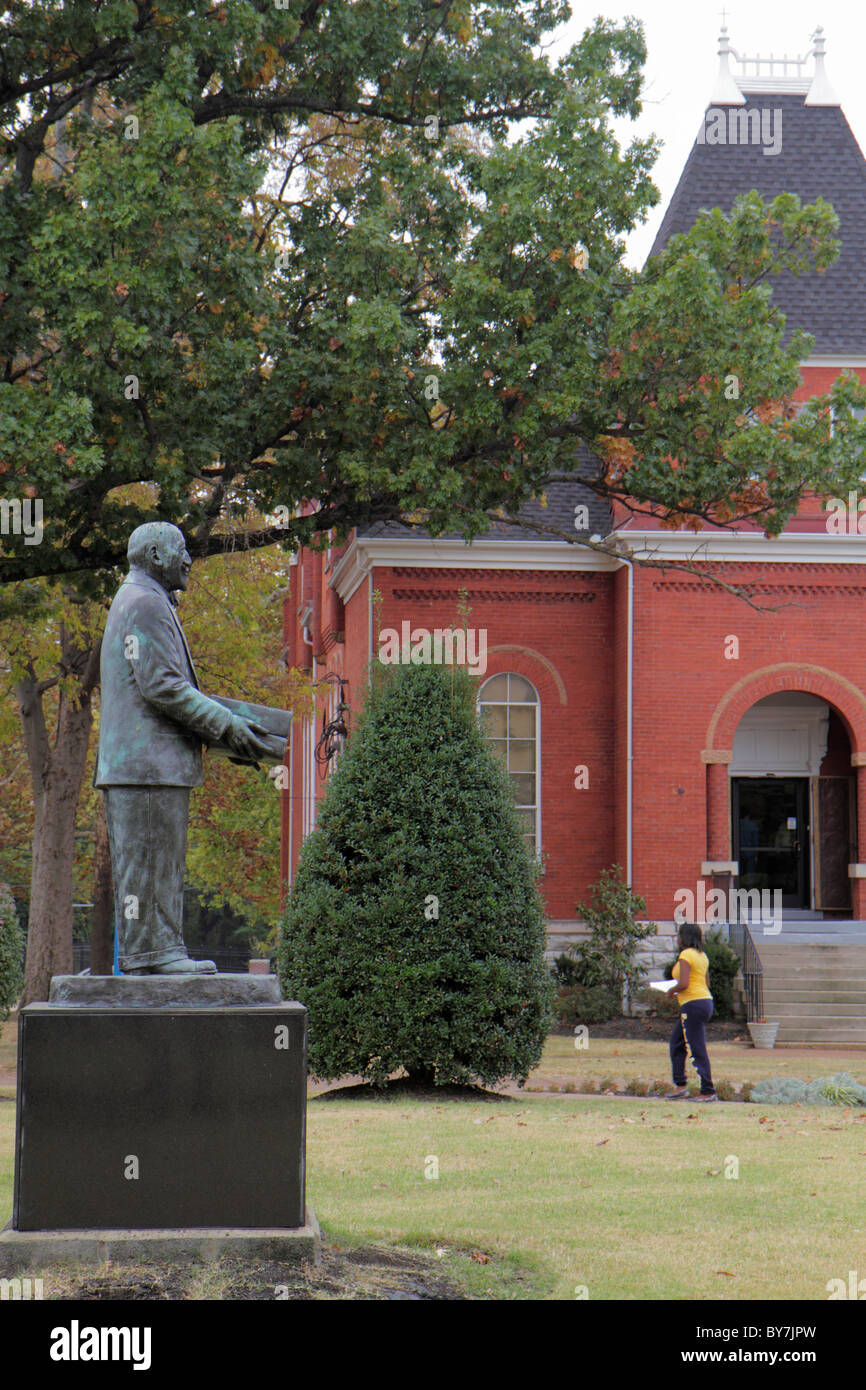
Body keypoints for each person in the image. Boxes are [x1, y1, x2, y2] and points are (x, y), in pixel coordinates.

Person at [94, 522, 275, 974]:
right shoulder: (144, 603)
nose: (189, 559)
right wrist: (227, 725)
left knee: (155, 867)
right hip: (146, 766)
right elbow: (163, 687)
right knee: (150, 867)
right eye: (182, 550)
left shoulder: (141, 599)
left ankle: (156, 952)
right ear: (156, 554)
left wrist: (227, 729)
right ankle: (155, 957)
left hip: (144, 767)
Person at [666, 922, 718, 1102]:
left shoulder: (686, 955)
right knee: (677, 1043)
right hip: (704, 1001)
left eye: (679, 934)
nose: (677, 938)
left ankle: (708, 1090)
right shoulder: (702, 956)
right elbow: (706, 983)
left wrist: (671, 990)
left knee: (696, 1048)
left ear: (684, 937)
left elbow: (684, 984)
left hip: (693, 1004)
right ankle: (680, 1086)